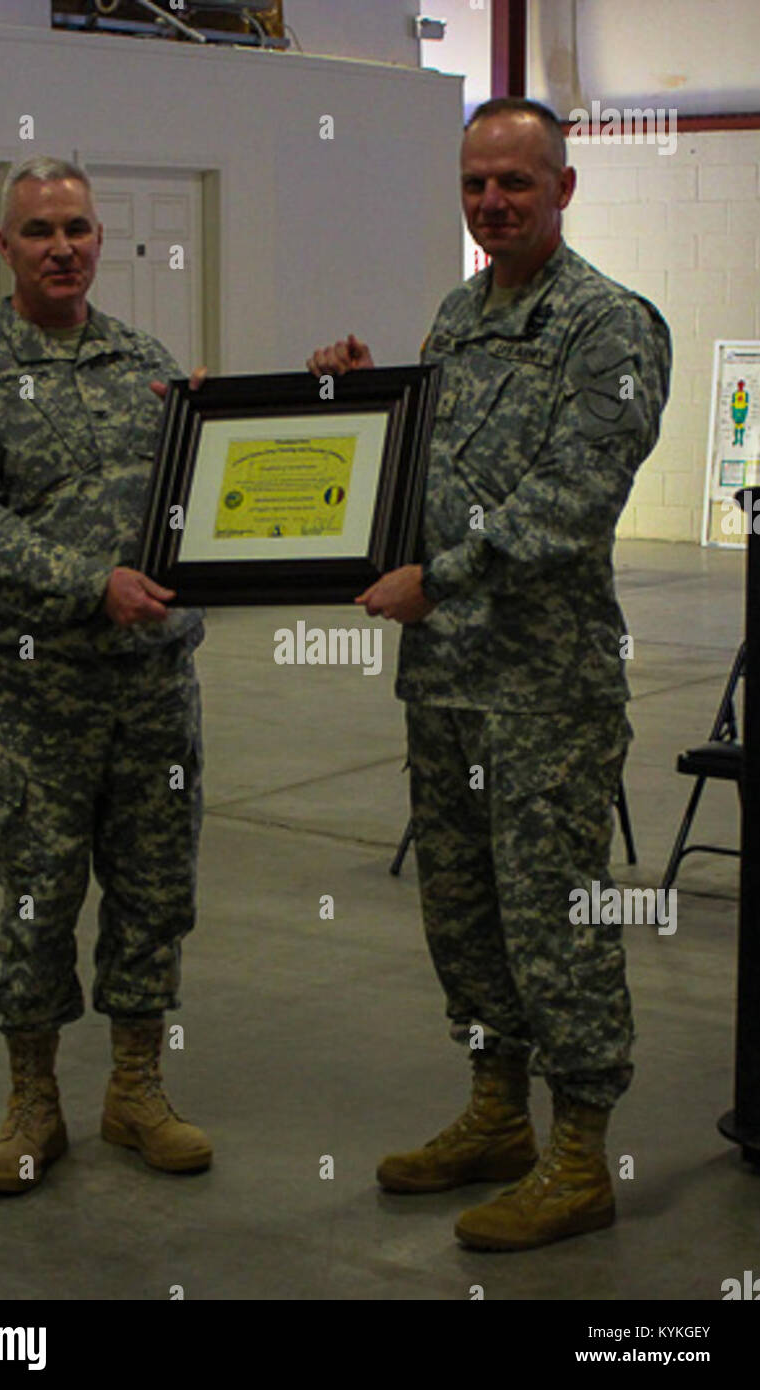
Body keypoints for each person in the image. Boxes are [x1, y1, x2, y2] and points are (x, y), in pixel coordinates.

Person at [307, 98, 671, 1251]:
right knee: (462, 920)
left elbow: (571, 501)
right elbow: (422, 471)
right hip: (445, 684)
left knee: (555, 921)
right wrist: (352, 403)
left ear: (562, 189)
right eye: (474, 184)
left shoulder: (609, 325)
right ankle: (494, 1114)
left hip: (545, 691)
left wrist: (442, 579)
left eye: (515, 182)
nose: (491, 203)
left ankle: (578, 1154)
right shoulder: (459, 316)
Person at [0, 156, 211, 1193]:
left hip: (154, 685)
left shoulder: (147, 361)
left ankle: (135, 1089)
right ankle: (33, 1100)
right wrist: (91, 584)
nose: (62, 247)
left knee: (153, 888)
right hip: (42, 694)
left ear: (99, 239)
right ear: (6, 248)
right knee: (39, 893)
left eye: (77, 227)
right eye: (39, 231)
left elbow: (195, 486)